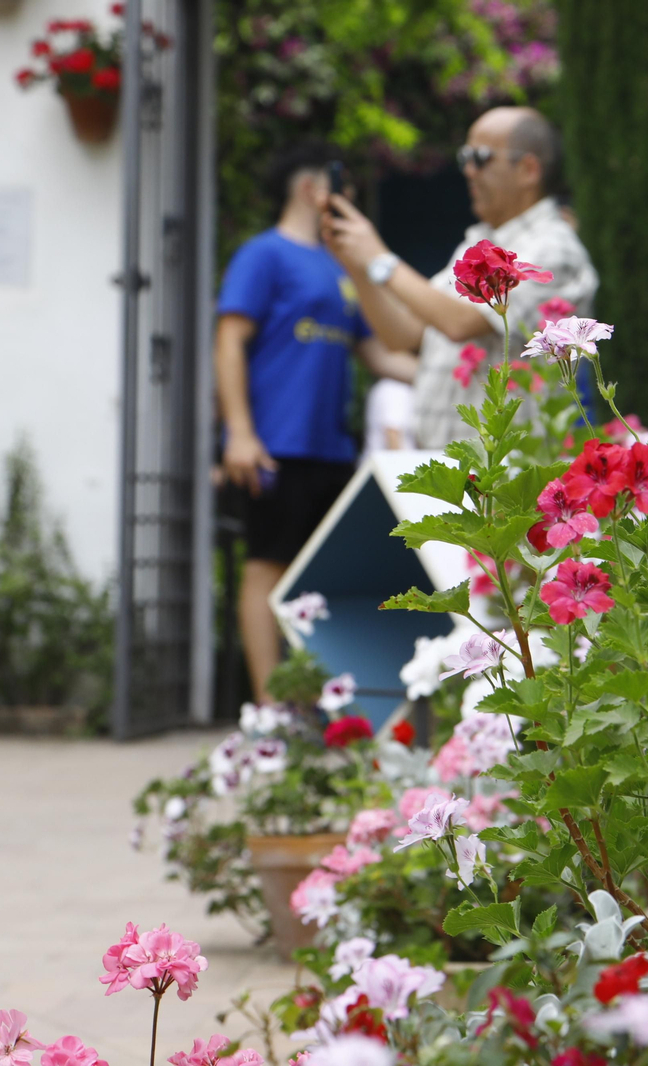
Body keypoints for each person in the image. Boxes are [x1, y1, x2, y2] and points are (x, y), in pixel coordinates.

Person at [215, 142, 417, 703]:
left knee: (320, 583)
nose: (351, 202)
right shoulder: (264, 255)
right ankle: (269, 710)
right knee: (266, 570)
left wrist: (452, 370)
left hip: (332, 450)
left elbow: (377, 355)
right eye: (344, 189)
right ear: (313, 190)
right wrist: (240, 431)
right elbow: (228, 341)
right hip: (275, 445)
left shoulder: (340, 270)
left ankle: (318, 708)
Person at [322, 106, 598, 449]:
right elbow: (402, 334)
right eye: (464, 157)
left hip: (507, 476)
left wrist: (379, 259)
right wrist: (357, 262)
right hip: (464, 471)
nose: (468, 170)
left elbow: (461, 323)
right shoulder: (479, 241)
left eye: (480, 157)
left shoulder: (555, 247)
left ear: (528, 169)